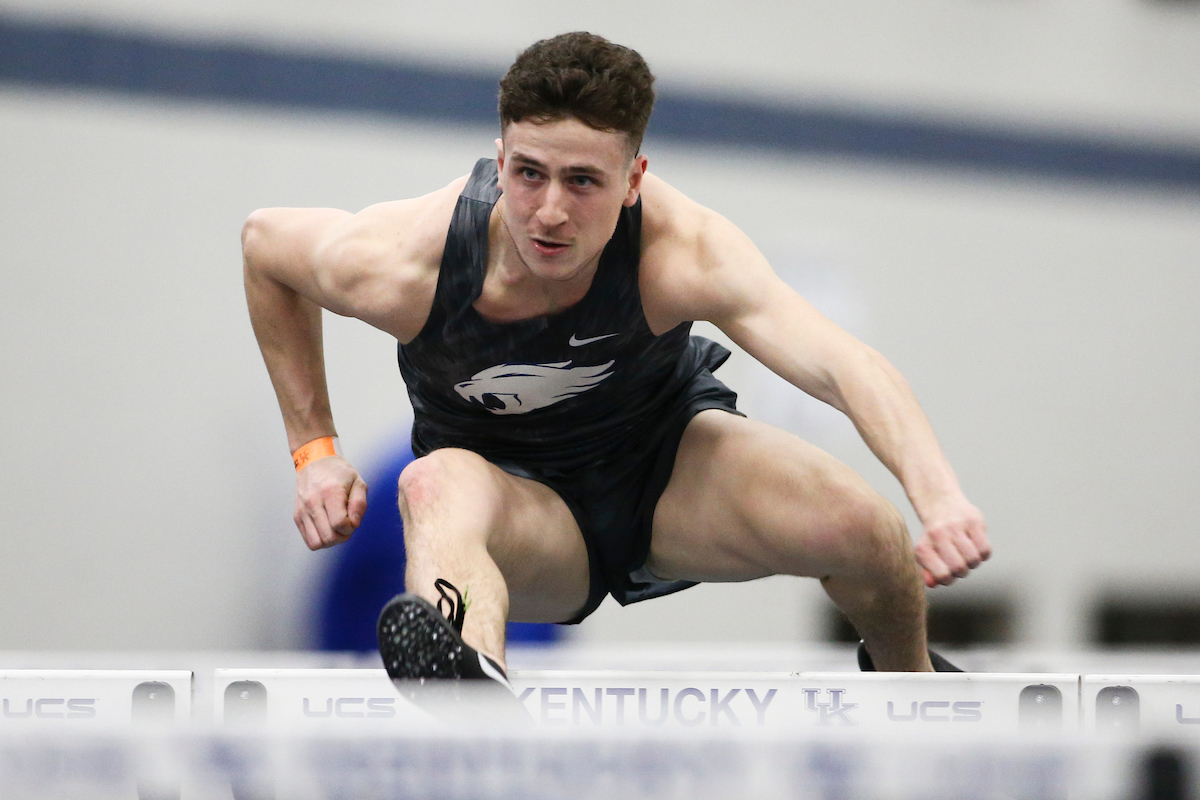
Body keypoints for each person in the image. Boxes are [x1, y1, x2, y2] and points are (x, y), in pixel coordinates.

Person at [242, 32, 990, 690]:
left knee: (866, 529)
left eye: (584, 182)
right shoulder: (410, 261)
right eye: (530, 173)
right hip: (521, 510)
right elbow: (264, 246)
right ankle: (464, 692)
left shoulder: (681, 253)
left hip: (667, 476)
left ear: (633, 181)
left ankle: (912, 691)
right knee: (431, 482)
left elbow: (841, 363)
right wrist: (314, 451)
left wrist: (941, 497)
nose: (551, 211)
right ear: (500, 161)